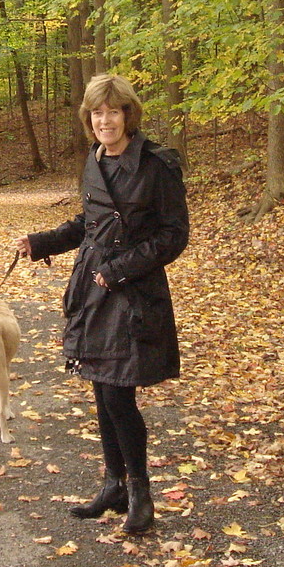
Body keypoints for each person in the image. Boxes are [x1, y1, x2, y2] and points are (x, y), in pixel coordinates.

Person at [16, 73, 188, 533]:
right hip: (92, 292)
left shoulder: (157, 165)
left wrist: (118, 269)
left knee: (118, 393)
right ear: (88, 118)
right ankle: (113, 485)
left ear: (128, 115)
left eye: (113, 112)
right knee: (102, 389)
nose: (105, 120)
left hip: (133, 293)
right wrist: (42, 242)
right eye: (97, 113)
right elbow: (89, 224)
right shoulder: (94, 160)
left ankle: (140, 493)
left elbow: (174, 236)